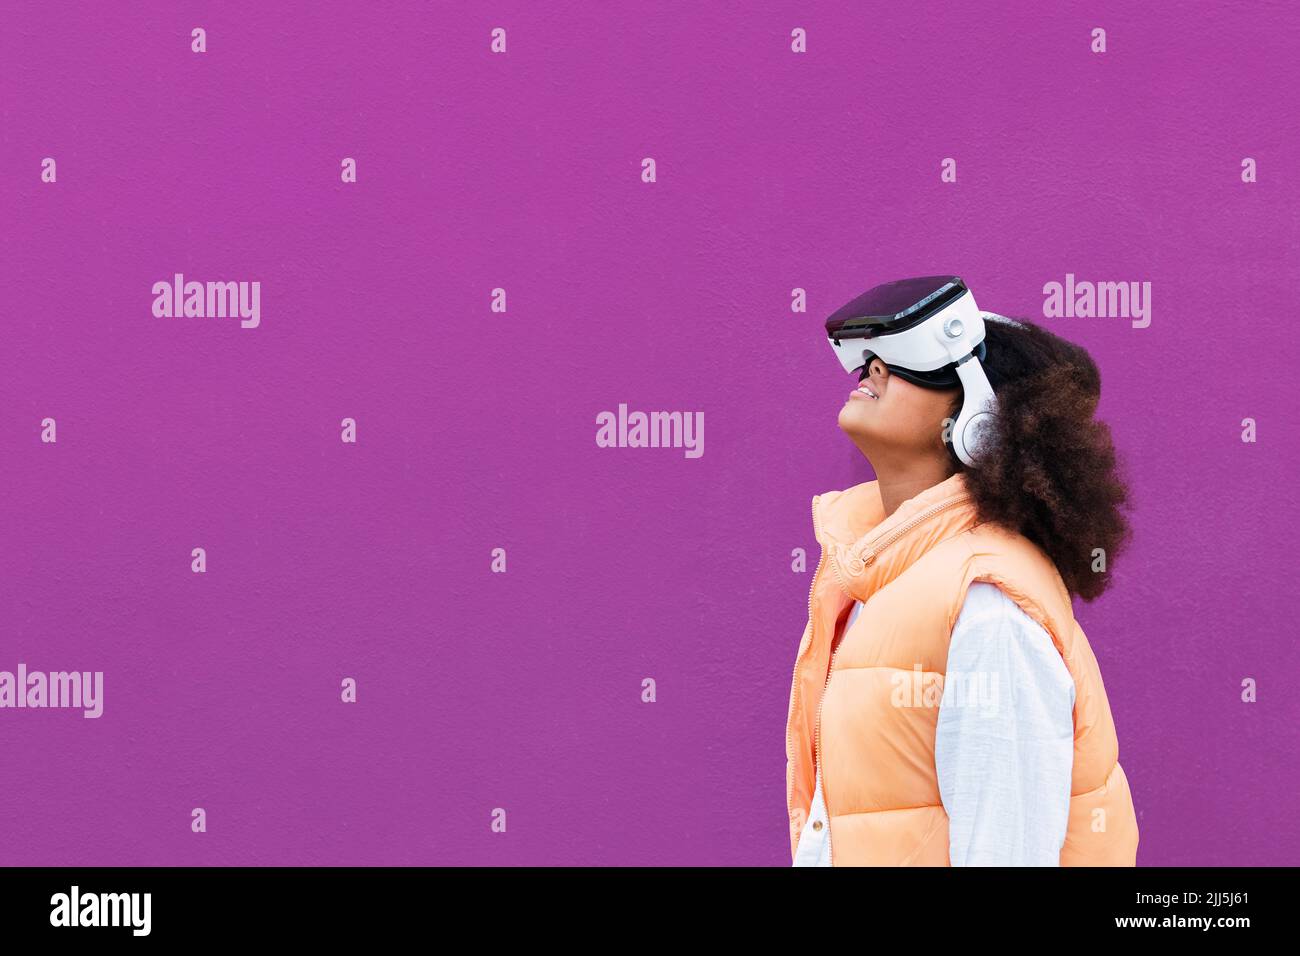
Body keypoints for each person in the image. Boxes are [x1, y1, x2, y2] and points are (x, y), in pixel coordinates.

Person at [786, 282, 1139, 866]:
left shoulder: (986, 603)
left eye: (908, 365)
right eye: (871, 359)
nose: (872, 368)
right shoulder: (878, 582)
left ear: (978, 421)